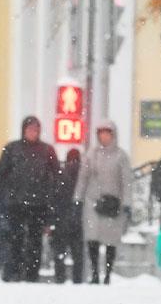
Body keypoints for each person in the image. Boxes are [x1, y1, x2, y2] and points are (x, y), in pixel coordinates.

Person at [0, 115, 59, 282]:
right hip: (16, 203)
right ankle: (14, 272)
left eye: (35, 129)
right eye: (30, 129)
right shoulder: (13, 149)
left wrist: (50, 195)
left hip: (39, 203)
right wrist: (3, 192)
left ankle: (31, 274)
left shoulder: (46, 151)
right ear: (23, 130)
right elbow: (0, 174)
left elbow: (56, 175)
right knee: (15, 239)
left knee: (35, 240)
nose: (32, 133)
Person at [77, 120, 133, 284]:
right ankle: (95, 272)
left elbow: (126, 182)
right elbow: (83, 178)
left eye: (107, 133)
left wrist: (127, 203)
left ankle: (108, 272)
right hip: (92, 201)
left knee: (110, 240)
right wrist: (78, 198)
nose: (104, 137)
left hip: (113, 203)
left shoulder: (121, 156)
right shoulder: (91, 155)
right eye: (101, 133)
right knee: (92, 238)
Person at [52, 146, 85, 283]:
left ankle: (60, 278)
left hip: (61, 220)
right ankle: (77, 279)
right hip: (78, 219)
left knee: (60, 253)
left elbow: (54, 197)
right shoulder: (82, 174)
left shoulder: (60, 174)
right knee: (78, 255)